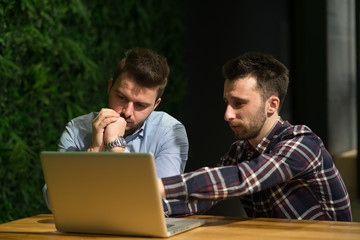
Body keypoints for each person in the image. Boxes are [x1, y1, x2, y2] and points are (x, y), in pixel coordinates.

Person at [158, 52, 352, 221]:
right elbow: (202, 198)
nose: (227, 114)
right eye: (227, 102)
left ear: (272, 105)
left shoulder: (302, 143)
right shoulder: (241, 150)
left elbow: (243, 178)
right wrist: (152, 210)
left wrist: (161, 186)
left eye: (239, 103)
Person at [43, 47, 189, 209]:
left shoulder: (169, 131)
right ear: (110, 86)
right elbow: (53, 201)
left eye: (140, 105)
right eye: (121, 97)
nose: (127, 112)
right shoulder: (77, 129)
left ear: (155, 105)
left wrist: (115, 145)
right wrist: (95, 151)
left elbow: (161, 202)